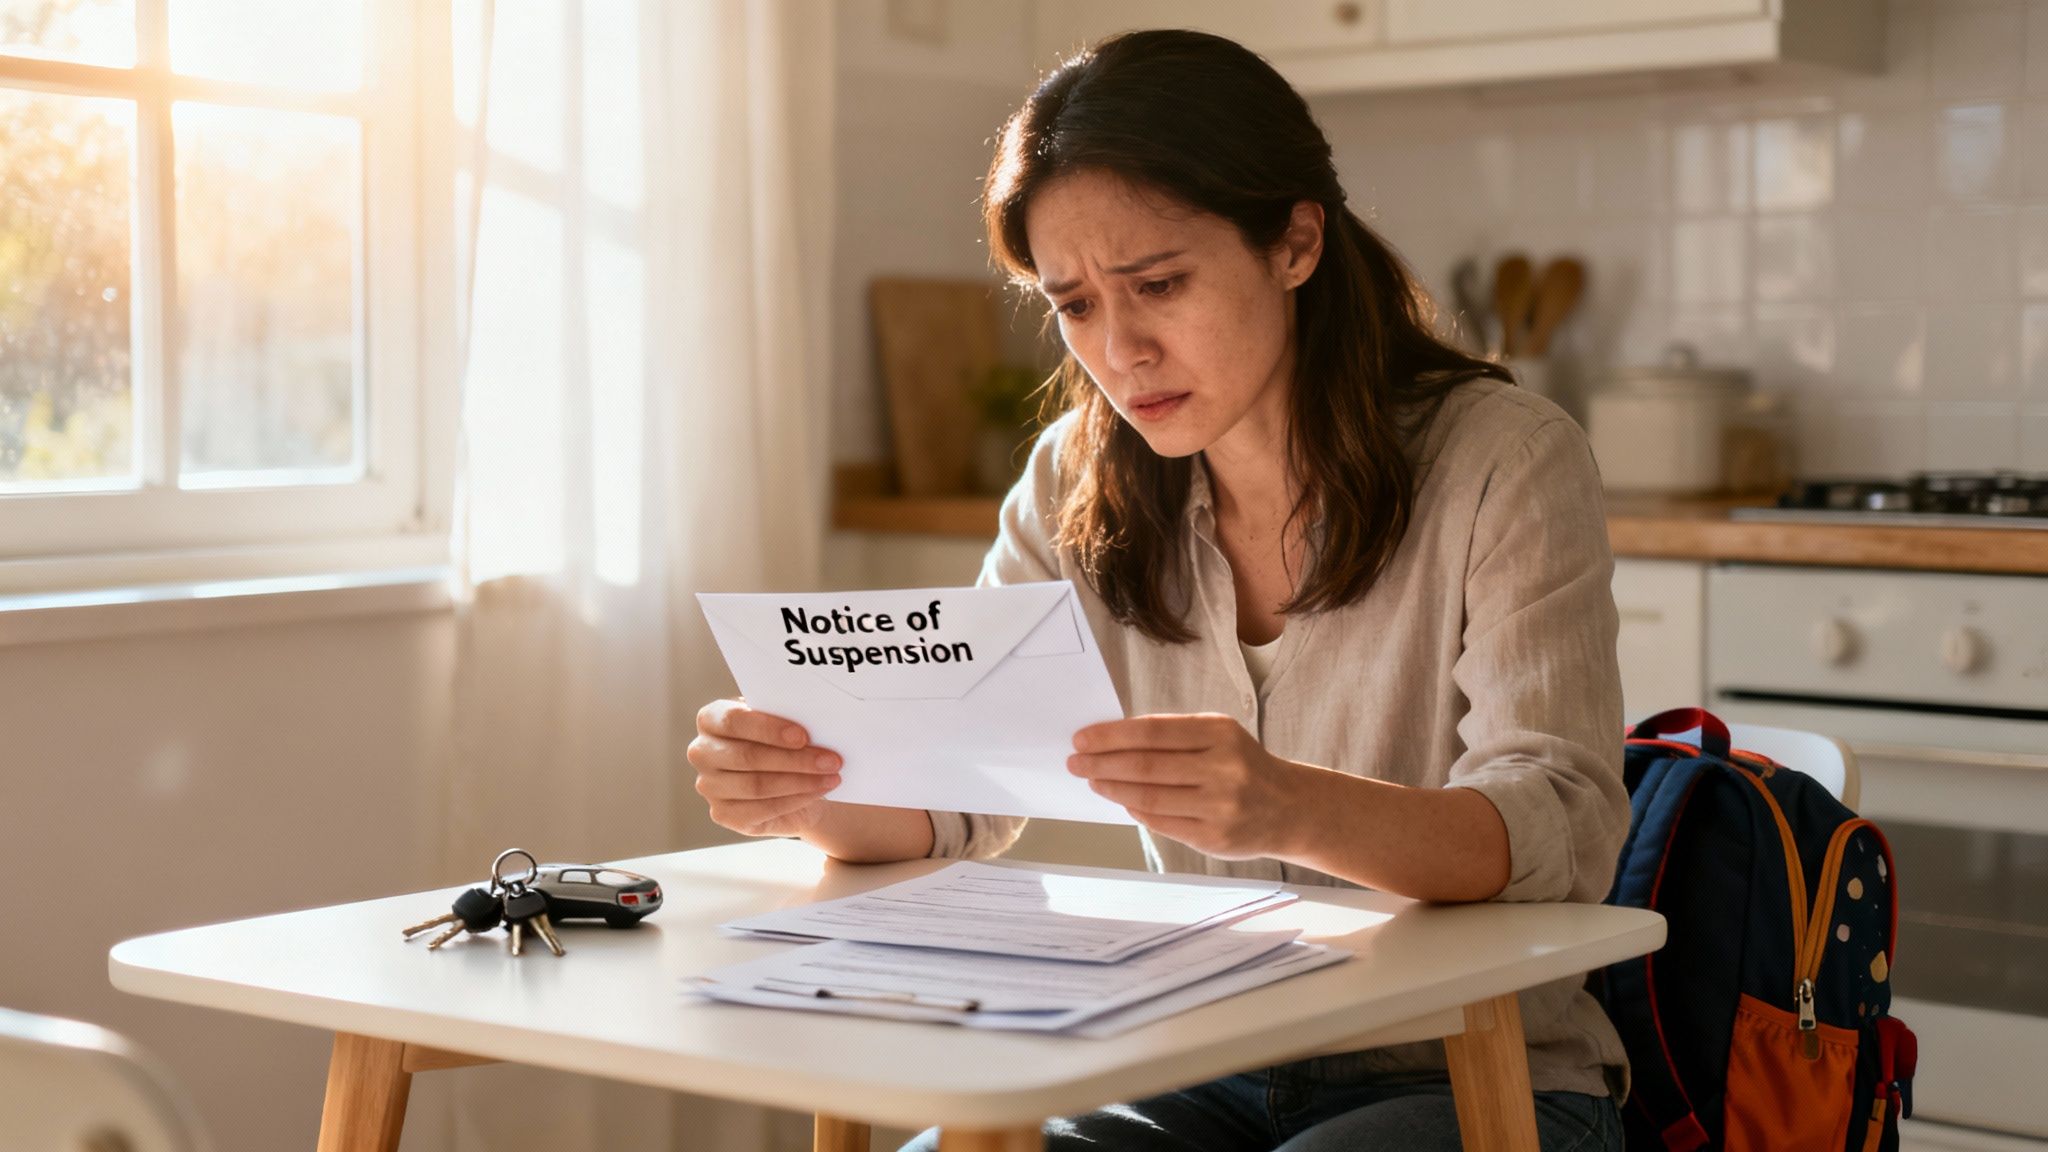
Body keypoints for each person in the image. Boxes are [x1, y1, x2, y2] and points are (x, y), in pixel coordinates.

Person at [687, 29, 1629, 1152]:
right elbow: (957, 799)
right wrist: (808, 790)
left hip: (1475, 1075)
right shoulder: (1072, 484)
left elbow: (1562, 832)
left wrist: (1289, 805)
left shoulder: (1503, 460)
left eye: (1160, 285)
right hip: (1197, 1055)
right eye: (1075, 305)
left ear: (1293, 241)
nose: (1120, 350)